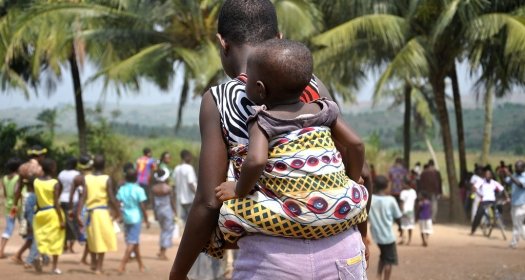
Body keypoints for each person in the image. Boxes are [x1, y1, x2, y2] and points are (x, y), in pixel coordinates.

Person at [170, 1, 368, 279]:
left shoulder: (219, 100)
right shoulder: (312, 87)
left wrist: (178, 272)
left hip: (272, 260)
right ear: (279, 39)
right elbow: (355, 169)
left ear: (222, 44)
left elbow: (209, 202)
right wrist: (362, 235)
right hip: (342, 248)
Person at [213, 39, 368, 254]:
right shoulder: (325, 110)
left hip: (291, 216)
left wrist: (238, 189)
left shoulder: (262, 120)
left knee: (228, 214)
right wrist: (349, 181)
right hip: (339, 210)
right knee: (360, 185)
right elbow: (356, 145)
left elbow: (256, 160)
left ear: (260, 89)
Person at [76, 155, 120, 274]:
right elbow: (111, 197)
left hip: (90, 213)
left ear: (93, 165)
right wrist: (118, 211)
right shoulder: (107, 179)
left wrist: (78, 213)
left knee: (92, 239)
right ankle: (99, 267)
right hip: (102, 213)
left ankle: (94, 263)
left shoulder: (87, 178)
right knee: (101, 240)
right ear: (104, 165)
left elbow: (83, 197)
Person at [11, 145, 47, 264]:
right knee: (37, 231)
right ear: (39, 155)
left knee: (32, 231)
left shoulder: (22, 167)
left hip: (25, 198)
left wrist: (15, 204)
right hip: (36, 199)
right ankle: (33, 258)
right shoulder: (40, 169)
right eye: (42, 155)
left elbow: (18, 187)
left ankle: (36, 256)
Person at [33, 158, 66, 274]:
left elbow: (37, 198)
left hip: (40, 212)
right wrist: (61, 220)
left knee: (43, 236)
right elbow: (56, 203)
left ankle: (39, 255)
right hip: (53, 213)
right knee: (56, 239)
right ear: (52, 168)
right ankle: (54, 267)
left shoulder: (36, 181)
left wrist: (36, 211)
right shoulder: (54, 183)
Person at [116, 167, 150, 273]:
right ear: (136, 178)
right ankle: (122, 265)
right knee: (132, 242)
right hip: (136, 218)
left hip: (126, 217)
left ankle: (141, 265)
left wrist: (119, 215)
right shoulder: (139, 189)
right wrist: (146, 219)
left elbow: (118, 203)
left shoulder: (122, 189)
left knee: (134, 241)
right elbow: (142, 206)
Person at [369, 175, 402, 280]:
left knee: (383, 255)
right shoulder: (390, 200)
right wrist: (400, 227)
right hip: (388, 236)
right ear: (386, 186)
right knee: (389, 261)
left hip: (376, 235)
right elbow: (398, 217)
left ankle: (378, 276)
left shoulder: (371, 199)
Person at [470, 169, 509, 235]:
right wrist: (476, 191)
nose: (488, 176)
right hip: (484, 201)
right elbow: (474, 187)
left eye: (489, 174)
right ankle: (473, 230)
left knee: (499, 209)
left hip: (492, 201)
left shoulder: (494, 182)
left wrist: (507, 197)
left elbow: (502, 189)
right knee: (478, 215)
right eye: (486, 174)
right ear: (484, 175)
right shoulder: (481, 181)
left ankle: (500, 223)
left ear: (491, 175)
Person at [58, 157, 81, 253]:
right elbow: (80, 189)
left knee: (63, 222)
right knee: (73, 223)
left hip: (62, 199)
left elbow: (59, 187)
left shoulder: (61, 174)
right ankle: (71, 246)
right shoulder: (76, 174)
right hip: (73, 200)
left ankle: (64, 245)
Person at [0, 157, 22, 259]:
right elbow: (17, 192)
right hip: (17, 206)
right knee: (26, 227)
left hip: (9, 206)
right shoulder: (18, 178)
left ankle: (1, 250)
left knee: (9, 227)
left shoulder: (4, 178)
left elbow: (4, 193)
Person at [152, 169, 176, 260]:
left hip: (158, 211)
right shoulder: (168, 188)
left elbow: (153, 202)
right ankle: (163, 253)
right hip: (167, 211)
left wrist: (154, 213)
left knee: (163, 230)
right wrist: (175, 211)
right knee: (167, 231)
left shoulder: (154, 188)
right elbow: (172, 201)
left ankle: (161, 250)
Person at [505, 160, 525, 249]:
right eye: (515, 166)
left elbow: (520, 184)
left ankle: (514, 243)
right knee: (518, 224)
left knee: (517, 224)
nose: (516, 168)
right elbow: (507, 182)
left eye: (518, 167)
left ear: (523, 168)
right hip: (514, 203)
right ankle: (514, 242)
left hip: (522, 204)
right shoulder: (514, 175)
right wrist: (505, 175)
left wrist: (510, 175)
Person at [173, 150, 197, 222]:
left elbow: (174, 184)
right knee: (191, 221)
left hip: (179, 199)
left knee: (182, 221)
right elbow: (191, 183)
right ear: (187, 157)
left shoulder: (176, 168)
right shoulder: (189, 168)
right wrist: (197, 195)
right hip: (189, 199)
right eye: (190, 157)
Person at [399, 177, 417, 245]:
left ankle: (403, 239)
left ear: (407, 184)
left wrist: (402, 210)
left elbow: (402, 202)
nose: (402, 185)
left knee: (403, 225)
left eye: (403, 184)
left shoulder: (403, 192)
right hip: (411, 210)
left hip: (405, 210)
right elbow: (414, 202)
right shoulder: (413, 191)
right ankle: (409, 239)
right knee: (410, 225)